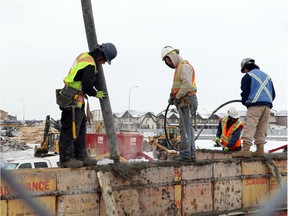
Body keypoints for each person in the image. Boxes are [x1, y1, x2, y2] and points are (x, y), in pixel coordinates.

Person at [57, 42, 117, 168]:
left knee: (80, 130)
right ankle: (66, 159)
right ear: (101, 55)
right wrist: (96, 93)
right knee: (70, 130)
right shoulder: (89, 64)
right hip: (72, 99)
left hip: (75, 99)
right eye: (104, 60)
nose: (103, 63)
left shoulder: (85, 56)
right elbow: (87, 86)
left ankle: (81, 156)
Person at [232, 58, 275, 158]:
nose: (244, 72)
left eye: (244, 70)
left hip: (255, 105)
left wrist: (244, 101)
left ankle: (246, 150)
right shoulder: (267, 76)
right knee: (262, 127)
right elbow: (273, 94)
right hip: (267, 105)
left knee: (250, 126)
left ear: (246, 67)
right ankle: (260, 150)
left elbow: (245, 91)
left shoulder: (248, 76)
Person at [161, 46, 198, 162]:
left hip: (187, 100)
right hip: (185, 100)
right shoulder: (179, 68)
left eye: (169, 61)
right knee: (186, 128)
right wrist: (172, 97)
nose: (169, 64)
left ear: (172, 56)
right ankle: (190, 154)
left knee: (185, 129)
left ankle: (186, 154)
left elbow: (186, 85)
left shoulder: (184, 67)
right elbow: (178, 86)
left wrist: (177, 97)